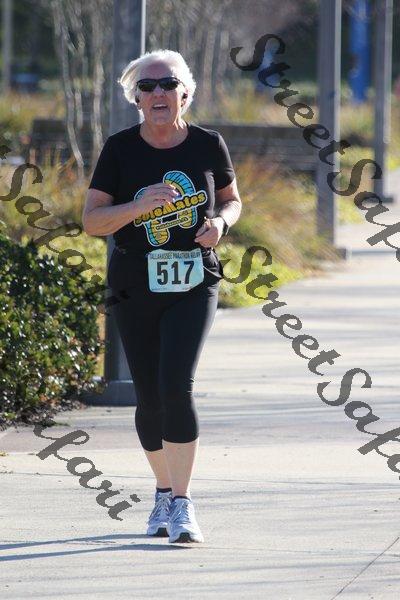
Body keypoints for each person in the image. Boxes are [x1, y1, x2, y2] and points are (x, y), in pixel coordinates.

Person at [83, 49, 242, 544]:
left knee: (177, 384)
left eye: (167, 84)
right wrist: (138, 206)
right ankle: (163, 490)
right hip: (135, 281)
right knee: (149, 396)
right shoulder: (120, 149)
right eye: (146, 87)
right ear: (135, 99)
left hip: (195, 279)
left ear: (185, 94)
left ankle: (183, 502)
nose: (157, 93)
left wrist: (221, 224)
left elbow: (232, 200)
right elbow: (92, 222)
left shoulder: (208, 144)